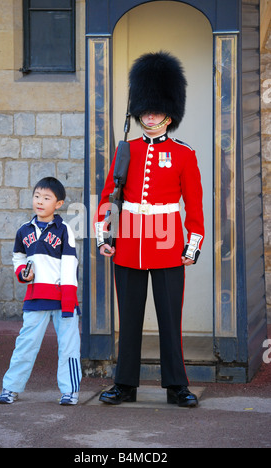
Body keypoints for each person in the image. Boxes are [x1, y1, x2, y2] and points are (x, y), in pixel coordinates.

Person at [94, 52, 204, 408]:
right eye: (145, 111)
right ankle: (125, 384)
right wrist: (104, 234)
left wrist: (193, 243)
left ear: (169, 114)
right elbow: (110, 194)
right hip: (127, 244)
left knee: (171, 320)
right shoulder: (125, 150)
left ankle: (176, 387)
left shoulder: (184, 154)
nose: (150, 116)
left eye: (156, 111)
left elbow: (194, 205)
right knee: (130, 321)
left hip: (168, 245)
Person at [0, 177, 82, 406]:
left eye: (47, 198)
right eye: (37, 196)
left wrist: (69, 303)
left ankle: (70, 391)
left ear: (59, 204)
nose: (40, 202)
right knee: (25, 344)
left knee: (68, 347)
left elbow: (70, 266)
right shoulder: (24, 231)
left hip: (63, 299)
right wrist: (22, 272)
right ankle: (10, 388)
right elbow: (19, 258)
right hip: (35, 299)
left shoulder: (64, 231)